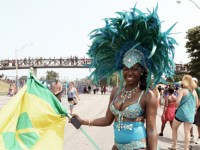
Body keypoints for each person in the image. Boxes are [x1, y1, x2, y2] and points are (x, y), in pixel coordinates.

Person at [72, 4, 177, 150]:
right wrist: (83, 121)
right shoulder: (115, 91)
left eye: (135, 69)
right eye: (126, 69)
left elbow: (152, 129)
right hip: (117, 146)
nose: (130, 73)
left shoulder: (147, 96)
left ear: (142, 71)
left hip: (138, 147)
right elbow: (108, 120)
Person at [169, 75, 198, 150]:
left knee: (174, 128)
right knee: (187, 132)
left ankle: (174, 146)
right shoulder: (194, 92)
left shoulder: (183, 90)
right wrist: (193, 110)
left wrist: (177, 104)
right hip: (190, 115)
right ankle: (186, 148)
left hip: (181, 113)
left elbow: (177, 102)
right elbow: (197, 104)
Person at [190, 78, 200, 144]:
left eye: (194, 81)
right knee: (190, 123)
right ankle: (191, 136)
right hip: (192, 109)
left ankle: (198, 137)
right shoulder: (190, 90)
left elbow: (199, 100)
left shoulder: (198, 89)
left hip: (197, 109)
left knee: (198, 125)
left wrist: (196, 109)